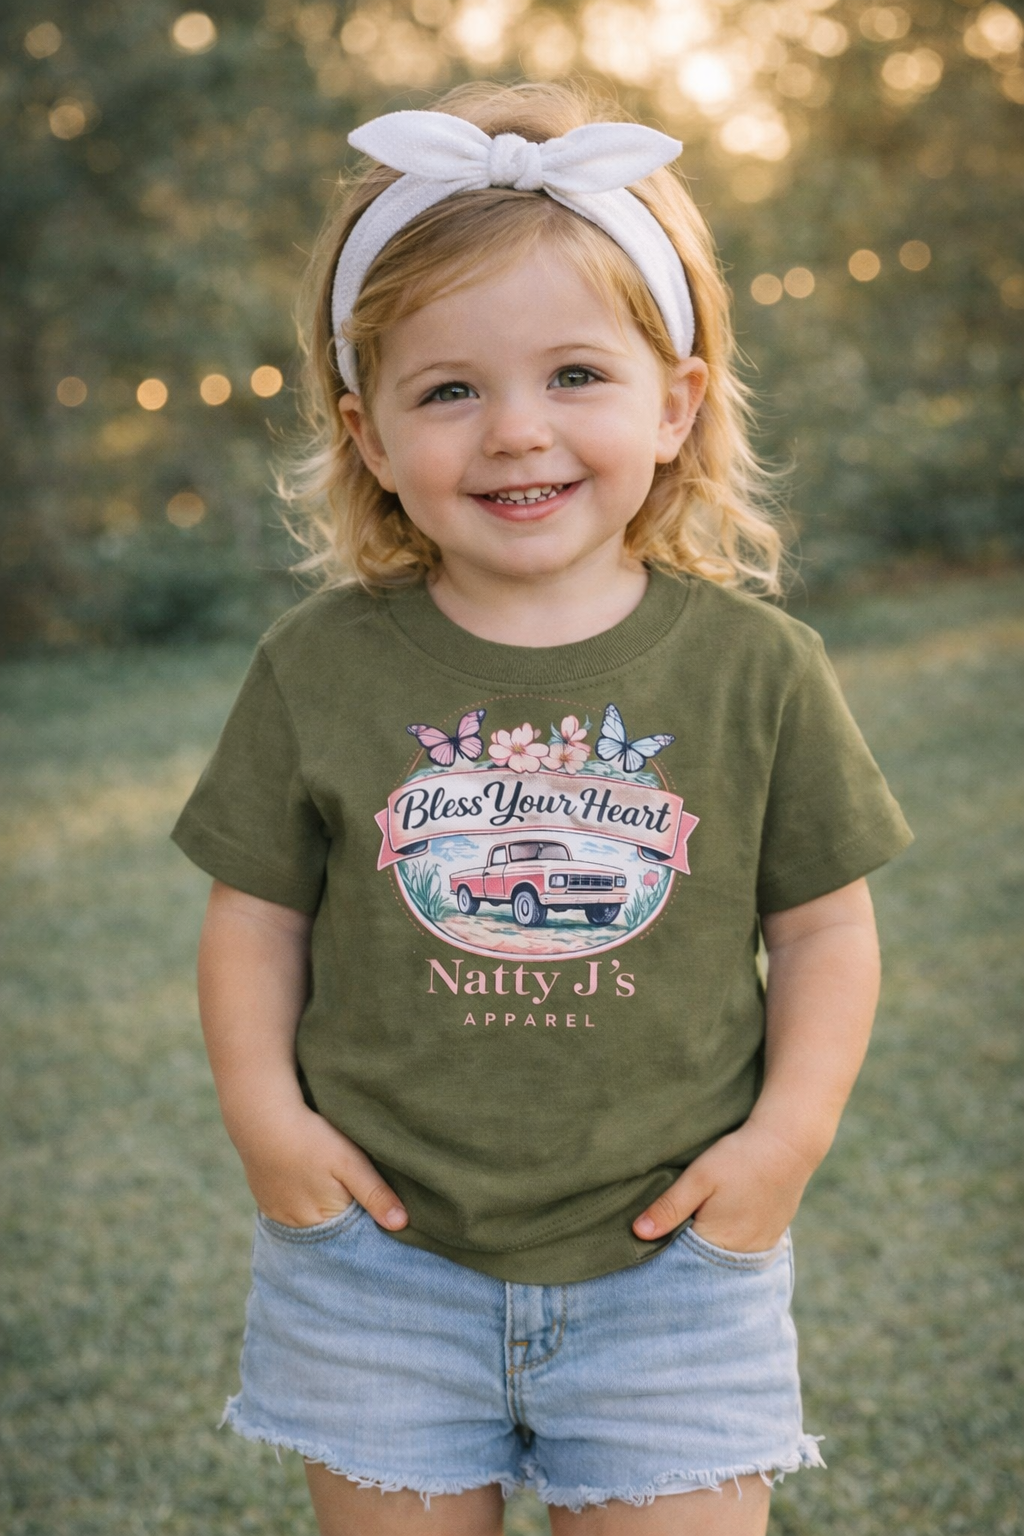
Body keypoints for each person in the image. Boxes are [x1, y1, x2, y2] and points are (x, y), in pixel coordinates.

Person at [172, 80, 912, 1536]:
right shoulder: (318, 666)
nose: (517, 431)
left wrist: (786, 1145)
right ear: (370, 434)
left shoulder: (760, 670)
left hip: (673, 1271)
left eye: (576, 374)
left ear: (676, 401)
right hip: (379, 1262)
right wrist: (268, 1123)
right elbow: (256, 920)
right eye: (449, 389)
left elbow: (826, 930)